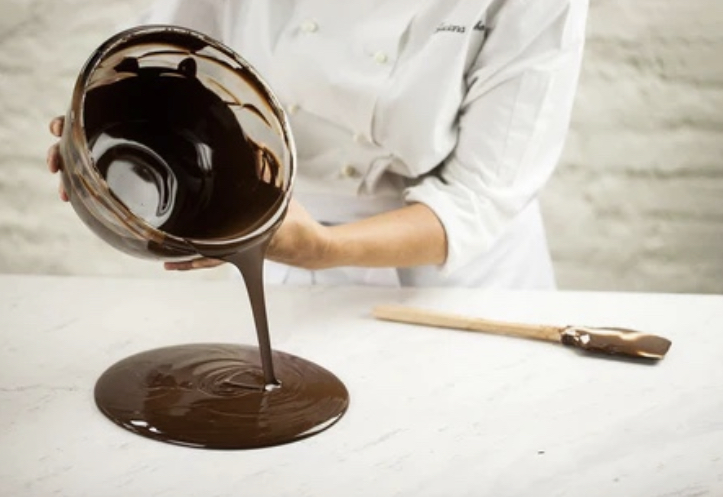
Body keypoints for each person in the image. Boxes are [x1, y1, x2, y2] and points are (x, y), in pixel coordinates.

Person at [47, 0, 588, 288]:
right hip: (278, 230)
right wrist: (93, 122)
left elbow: (479, 195)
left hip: (455, 281)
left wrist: (323, 250)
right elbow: (172, 50)